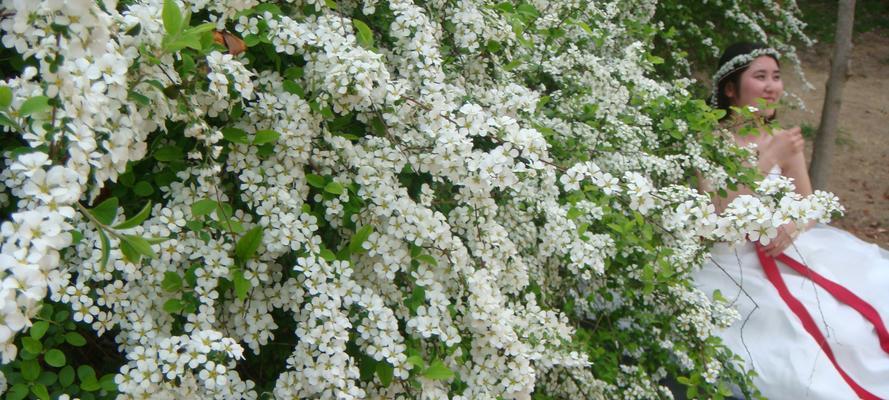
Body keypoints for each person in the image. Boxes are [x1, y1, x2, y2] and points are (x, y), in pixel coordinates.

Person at [693, 42, 889, 399]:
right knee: (787, 337)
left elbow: (808, 202)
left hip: (786, 250)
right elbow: (717, 211)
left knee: (849, 323)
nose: (772, 86)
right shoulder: (711, 140)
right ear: (730, 88)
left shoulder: (782, 138)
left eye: (777, 77)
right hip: (730, 258)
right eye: (760, 77)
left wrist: (791, 227)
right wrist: (768, 159)